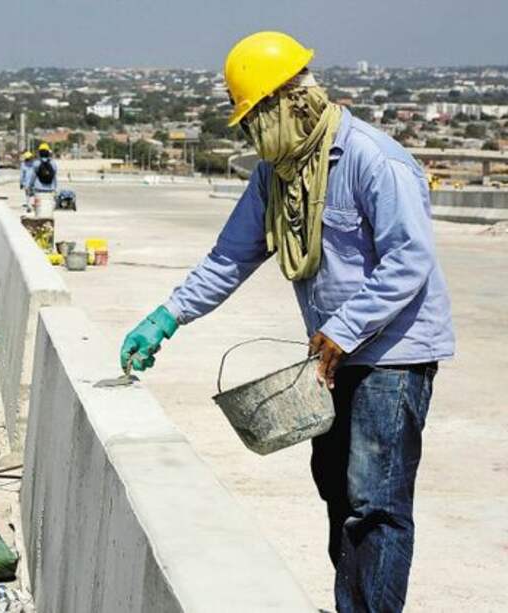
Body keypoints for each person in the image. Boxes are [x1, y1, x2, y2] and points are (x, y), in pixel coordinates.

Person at [119, 31, 454, 613]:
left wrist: (345, 328)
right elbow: (231, 256)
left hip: (393, 356)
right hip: (331, 356)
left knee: (375, 503)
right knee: (336, 490)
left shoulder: (375, 160)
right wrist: (166, 316)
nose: (250, 135)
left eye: (253, 120)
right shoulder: (275, 175)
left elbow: (410, 260)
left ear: (290, 104)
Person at [27, 143, 58, 216]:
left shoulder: (36, 163)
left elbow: (33, 177)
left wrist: (30, 187)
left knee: (38, 209)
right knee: (49, 209)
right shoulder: (53, 163)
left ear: (39, 153)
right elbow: (54, 177)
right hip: (50, 190)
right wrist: (55, 188)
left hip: (39, 190)